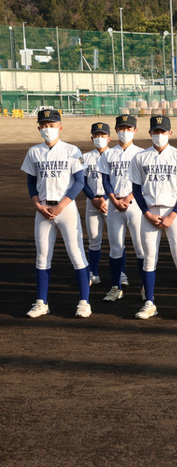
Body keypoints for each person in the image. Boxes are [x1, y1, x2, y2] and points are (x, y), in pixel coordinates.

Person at [22, 109, 91, 318]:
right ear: (38, 128)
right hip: (43, 209)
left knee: (76, 255)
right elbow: (31, 182)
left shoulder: (72, 150)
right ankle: (41, 302)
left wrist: (61, 206)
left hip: (66, 208)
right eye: (43, 125)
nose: (47, 129)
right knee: (42, 257)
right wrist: (37, 204)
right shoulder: (34, 151)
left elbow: (80, 181)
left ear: (60, 127)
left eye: (51, 125)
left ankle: (84, 302)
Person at [130, 116, 177, 320]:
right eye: (156, 131)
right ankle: (150, 303)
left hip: (173, 212)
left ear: (170, 133)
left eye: (163, 131)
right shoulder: (140, 157)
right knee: (149, 259)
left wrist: (173, 214)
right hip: (149, 212)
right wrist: (147, 213)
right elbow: (136, 190)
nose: (159, 135)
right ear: (149, 133)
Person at [99, 114, 145, 301]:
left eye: (129, 128)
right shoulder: (108, 153)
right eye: (122, 128)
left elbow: (143, 181)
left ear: (135, 130)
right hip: (114, 205)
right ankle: (115, 287)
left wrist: (129, 197)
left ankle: (145, 286)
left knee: (140, 248)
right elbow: (105, 180)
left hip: (135, 205)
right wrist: (113, 199)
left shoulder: (142, 153)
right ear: (116, 130)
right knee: (115, 248)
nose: (125, 132)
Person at [81, 122, 111, 287]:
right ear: (92, 137)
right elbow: (82, 182)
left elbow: (117, 181)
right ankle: (93, 272)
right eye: (97, 135)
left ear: (109, 138)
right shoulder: (84, 157)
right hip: (92, 202)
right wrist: (94, 199)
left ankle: (120, 272)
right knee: (94, 240)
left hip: (110, 202)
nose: (100, 138)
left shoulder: (114, 155)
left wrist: (105, 198)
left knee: (116, 240)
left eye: (103, 135)